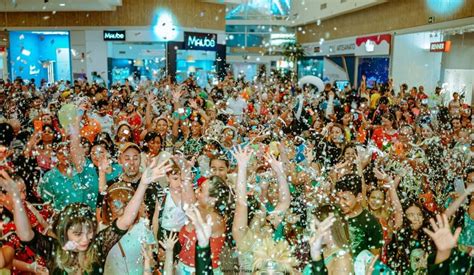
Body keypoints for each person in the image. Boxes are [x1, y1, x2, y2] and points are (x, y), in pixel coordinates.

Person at [0, 159, 171, 274]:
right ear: (64, 232)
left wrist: (143, 184)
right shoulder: (54, 250)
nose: (85, 239)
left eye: (89, 231)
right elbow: (25, 235)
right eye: (77, 233)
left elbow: (125, 221)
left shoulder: (96, 247)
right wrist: (16, 200)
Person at [335, 174, 384, 258]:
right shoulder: (334, 215)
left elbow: (374, 258)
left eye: (345, 199)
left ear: (359, 197)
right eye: (338, 198)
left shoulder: (371, 223)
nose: (340, 203)